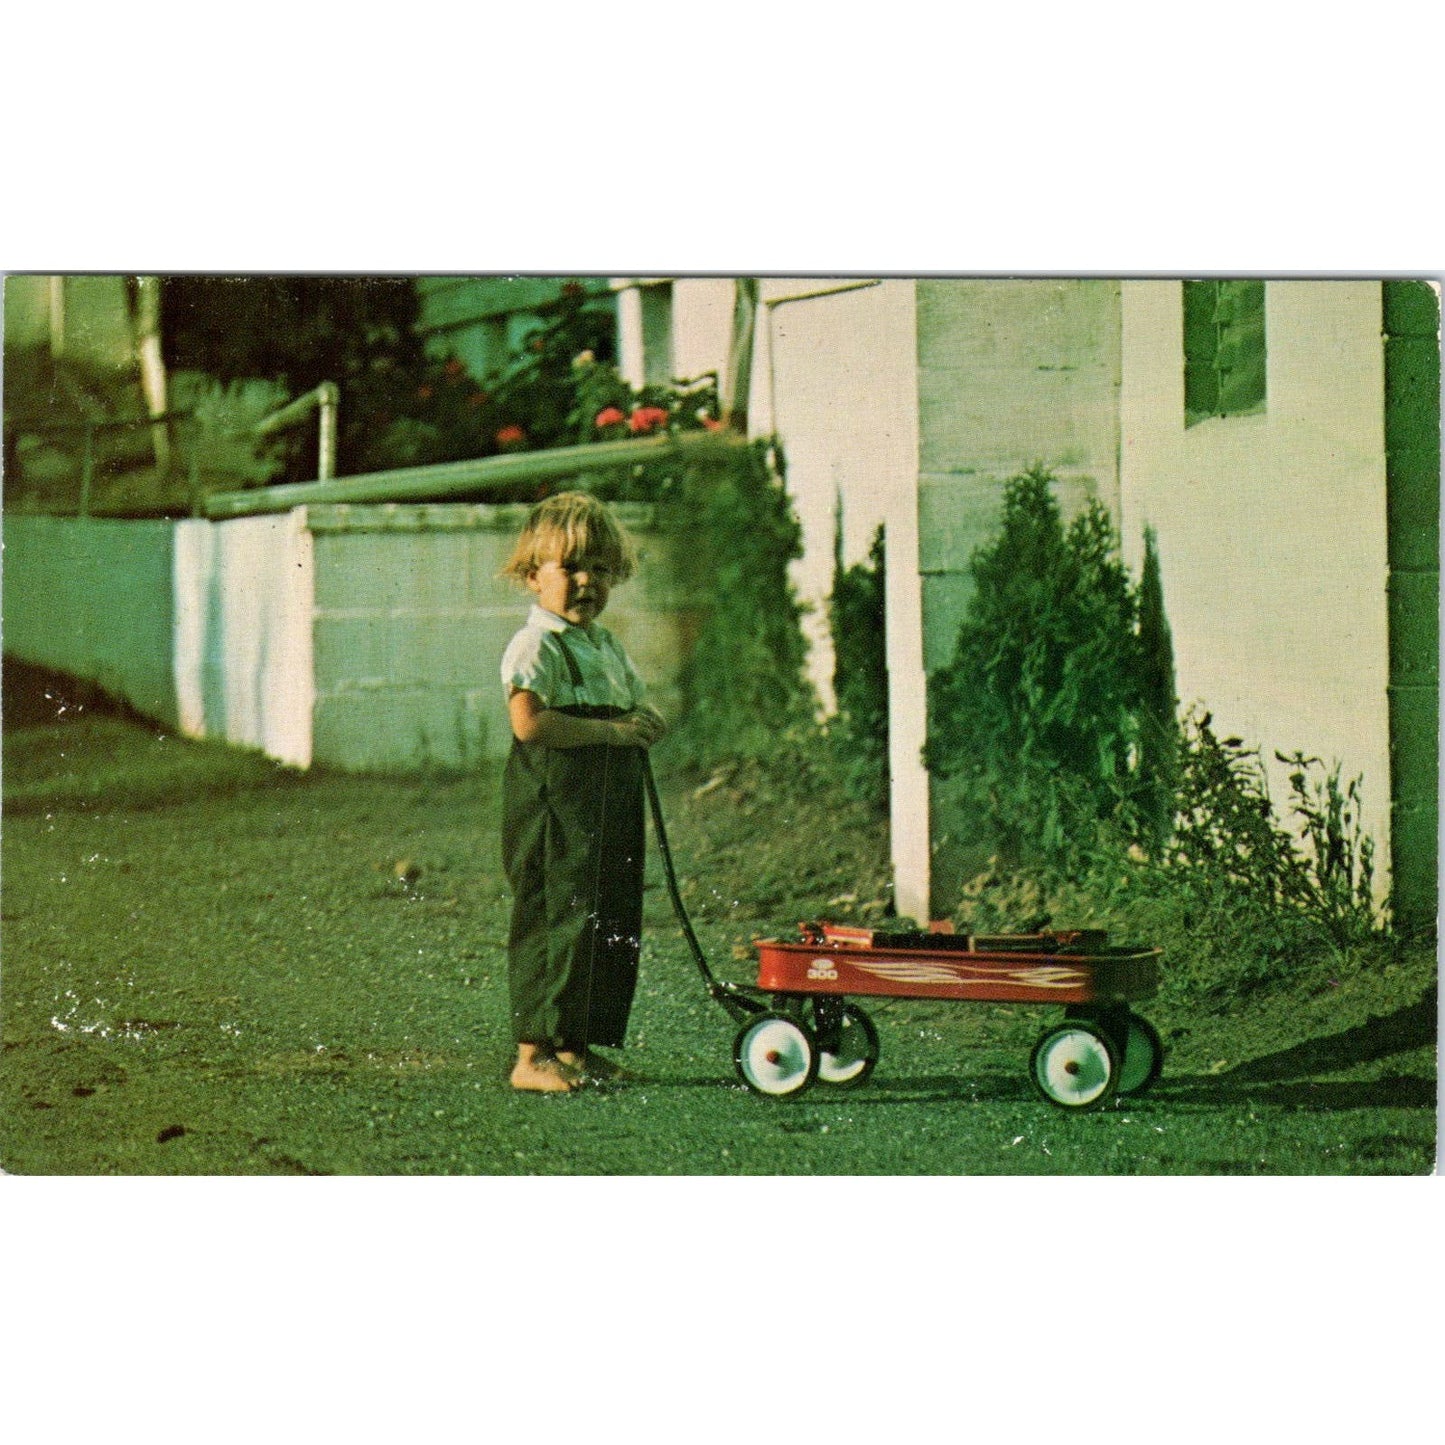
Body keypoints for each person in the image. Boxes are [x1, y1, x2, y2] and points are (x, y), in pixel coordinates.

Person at [498, 492, 667, 1092]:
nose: (585, 581)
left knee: (606, 910)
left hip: (608, 795)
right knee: (556, 913)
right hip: (556, 800)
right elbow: (530, 723)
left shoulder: (605, 645)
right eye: (569, 567)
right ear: (531, 576)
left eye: (598, 567)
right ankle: (532, 1055)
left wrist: (642, 722)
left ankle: (577, 1046)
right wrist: (610, 732)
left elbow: (627, 705)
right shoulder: (536, 646)